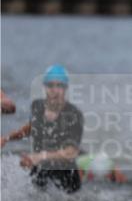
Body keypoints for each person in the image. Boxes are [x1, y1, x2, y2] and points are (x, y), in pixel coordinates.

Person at [1, 65, 84, 193]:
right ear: (45, 87)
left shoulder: (73, 114)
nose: (55, 90)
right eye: (50, 85)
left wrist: (40, 157)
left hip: (66, 176)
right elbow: (30, 128)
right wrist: (7, 138)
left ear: (66, 88)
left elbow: (71, 152)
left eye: (59, 86)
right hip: (41, 168)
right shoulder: (38, 107)